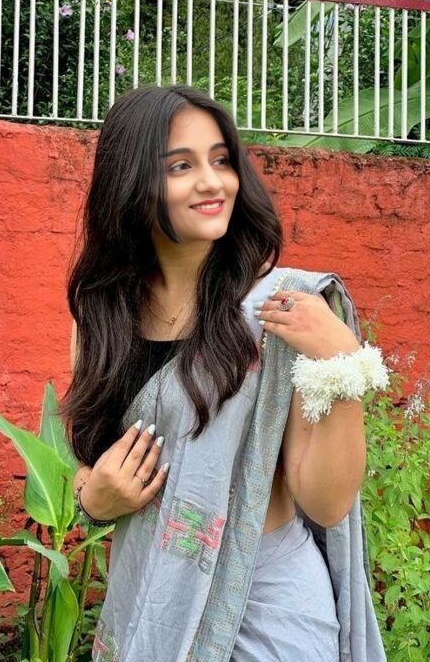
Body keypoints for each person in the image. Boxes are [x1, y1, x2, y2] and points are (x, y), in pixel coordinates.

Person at [61, 85, 388, 662]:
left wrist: (343, 364)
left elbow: (326, 502)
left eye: (221, 160)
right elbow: (91, 458)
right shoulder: (101, 317)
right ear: (130, 180)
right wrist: (96, 499)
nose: (213, 182)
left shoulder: (279, 309)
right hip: (151, 600)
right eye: (181, 166)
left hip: (266, 606)